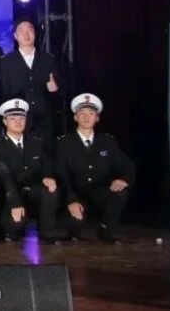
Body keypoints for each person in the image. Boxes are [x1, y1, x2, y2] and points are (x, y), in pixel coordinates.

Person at [56, 94, 135, 244]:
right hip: (76, 194)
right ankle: (74, 227)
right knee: (73, 225)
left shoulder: (107, 141)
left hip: (99, 192)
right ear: (75, 117)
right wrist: (71, 200)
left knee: (119, 192)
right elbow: (61, 174)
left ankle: (107, 230)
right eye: (82, 113)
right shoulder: (64, 143)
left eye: (91, 113)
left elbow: (126, 165)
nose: (87, 117)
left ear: (97, 118)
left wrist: (124, 179)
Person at [0, 99, 61, 243]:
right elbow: (5, 179)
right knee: (14, 226)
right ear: (4, 121)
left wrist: (47, 177)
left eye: (21, 118)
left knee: (51, 189)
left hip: (32, 193)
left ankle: (47, 231)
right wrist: (14, 202)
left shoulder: (36, 143)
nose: (18, 122)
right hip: (10, 196)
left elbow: (46, 167)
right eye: (13, 118)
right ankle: (11, 226)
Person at [0, 19, 61, 148]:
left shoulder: (49, 59)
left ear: (35, 33)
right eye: (21, 31)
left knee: (46, 155)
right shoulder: (6, 63)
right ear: (15, 36)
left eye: (29, 30)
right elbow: (4, 94)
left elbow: (61, 94)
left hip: (44, 121)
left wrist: (55, 90)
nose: (26, 34)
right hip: (18, 121)